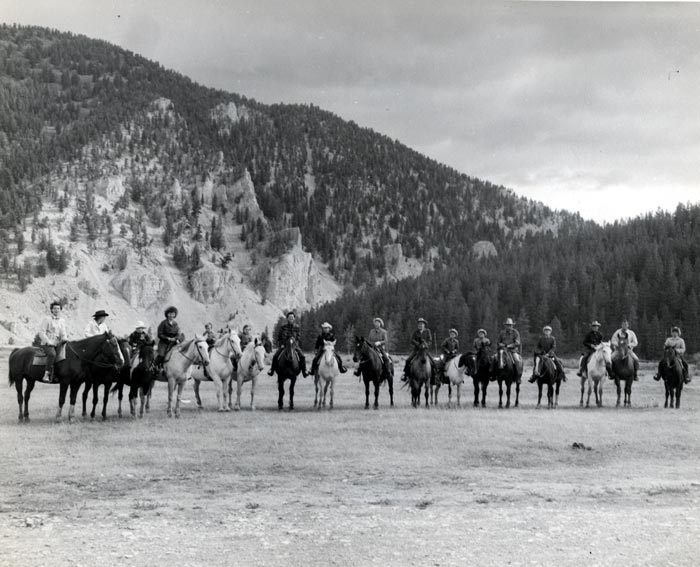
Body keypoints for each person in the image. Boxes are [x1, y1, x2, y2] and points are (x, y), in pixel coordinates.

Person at [268, 311, 308, 377]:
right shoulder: (283, 327)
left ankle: (304, 371)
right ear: (287, 318)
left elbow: (298, 337)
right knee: (275, 356)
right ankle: (272, 370)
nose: (291, 318)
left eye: (292, 317)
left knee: (302, 356)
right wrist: (281, 344)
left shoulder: (297, 327)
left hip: (294, 346)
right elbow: (279, 337)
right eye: (289, 317)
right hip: (284, 346)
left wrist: (295, 344)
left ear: (294, 318)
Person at [37, 301, 68, 383]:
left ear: (60, 310)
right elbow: (41, 332)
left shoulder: (62, 320)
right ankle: (46, 374)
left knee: (65, 355)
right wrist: (48, 342)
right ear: (51, 310)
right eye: (54, 308)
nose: (56, 310)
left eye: (58, 308)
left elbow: (63, 332)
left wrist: (65, 338)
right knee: (52, 354)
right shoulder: (47, 319)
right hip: (48, 343)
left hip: (58, 343)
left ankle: (59, 374)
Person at [402, 318, 433, 382]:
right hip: (417, 350)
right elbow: (412, 340)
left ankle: (434, 377)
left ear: (424, 325)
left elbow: (430, 340)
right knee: (408, 360)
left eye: (421, 324)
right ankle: (406, 375)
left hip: (425, 350)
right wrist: (418, 344)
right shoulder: (415, 332)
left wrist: (425, 344)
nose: (420, 325)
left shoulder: (427, 331)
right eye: (419, 324)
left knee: (433, 362)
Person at [497, 317, 523, 382]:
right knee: (494, 358)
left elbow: (517, 342)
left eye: (510, 325)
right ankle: (493, 374)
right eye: (507, 325)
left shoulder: (515, 332)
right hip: (502, 350)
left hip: (513, 350)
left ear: (512, 325)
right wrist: (502, 345)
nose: (509, 326)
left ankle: (518, 376)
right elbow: (498, 342)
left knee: (517, 360)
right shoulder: (502, 332)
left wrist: (509, 346)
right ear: (505, 325)